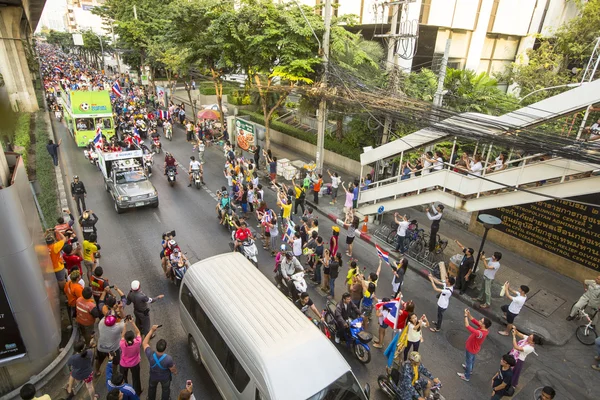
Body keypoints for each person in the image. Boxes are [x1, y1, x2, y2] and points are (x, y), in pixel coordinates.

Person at [457, 309, 491, 382]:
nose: (479, 321)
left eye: (481, 321)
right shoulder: (484, 329)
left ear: (484, 325)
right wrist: (469, 314)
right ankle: (470, 370)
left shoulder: (480, 333)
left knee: (469, 361)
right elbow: (473, 320)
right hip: (474, 348)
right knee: (471, 360)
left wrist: (465, 315)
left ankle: (467, 376)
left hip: (471, 348)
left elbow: (467, 325)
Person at [143, 325, 177, 400]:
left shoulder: (150, 354)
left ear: (156, 347)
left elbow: (144, 343)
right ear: (166, 347)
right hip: (165, 378)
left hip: (153, 376)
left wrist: (152, 330)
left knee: (152, 388)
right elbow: (172, 369)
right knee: (165, 390)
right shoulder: (168, 359)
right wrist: (175, 372)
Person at [96, 313, 124, 377]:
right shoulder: (118, 327)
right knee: (115, 363)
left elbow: (105, 316)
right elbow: (124, 319)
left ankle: (97, 371)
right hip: (113, 350)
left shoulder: (101, 323)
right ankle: (114, 374)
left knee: (99, 360)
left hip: (101, 348)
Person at [119, 316, 142, 394]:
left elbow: (122, 335)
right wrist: (132, 322)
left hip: (123, 364)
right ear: (133, 338)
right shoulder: (137, 342)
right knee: (136, 378)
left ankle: (125, 392)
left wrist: (125, 324)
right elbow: (138, 332)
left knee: (123, 379)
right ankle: (137, 391)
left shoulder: (122, 344)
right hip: (135, 363)